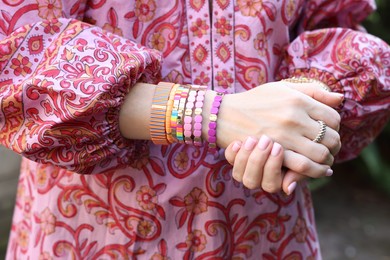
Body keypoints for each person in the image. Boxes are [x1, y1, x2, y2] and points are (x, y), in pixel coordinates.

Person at [1, 0, 389, 259]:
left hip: (269, 232)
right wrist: (214, 114)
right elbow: (15, 58)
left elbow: (330, 25)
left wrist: (308, 105)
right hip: (100, 235)